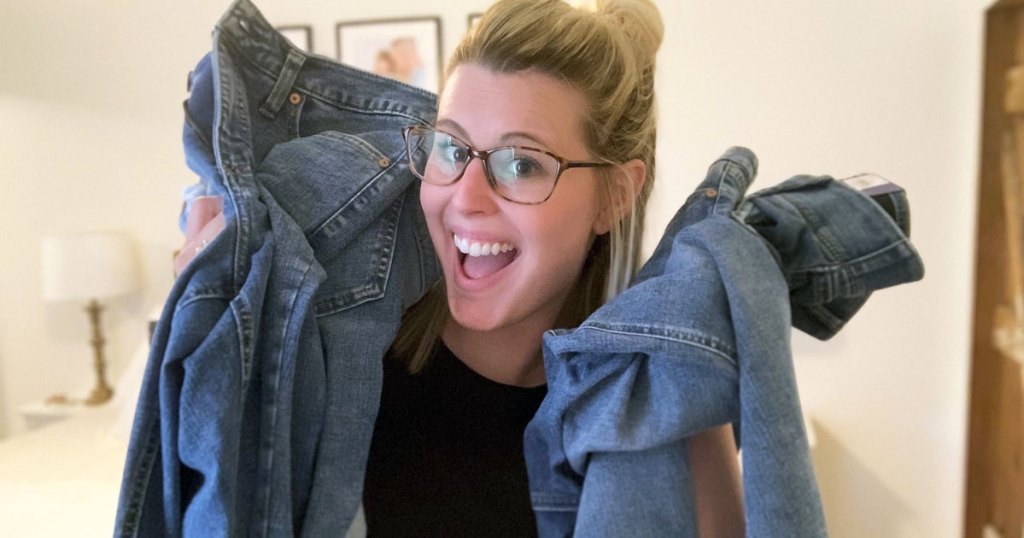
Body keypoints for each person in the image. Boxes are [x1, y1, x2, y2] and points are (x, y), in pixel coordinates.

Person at [173, 0, 743, 535]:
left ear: (616, 194)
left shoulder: (666, 407)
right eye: (450, 148)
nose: (464, 199)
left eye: (521, 163)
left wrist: (695, 416)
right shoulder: (332, 354)